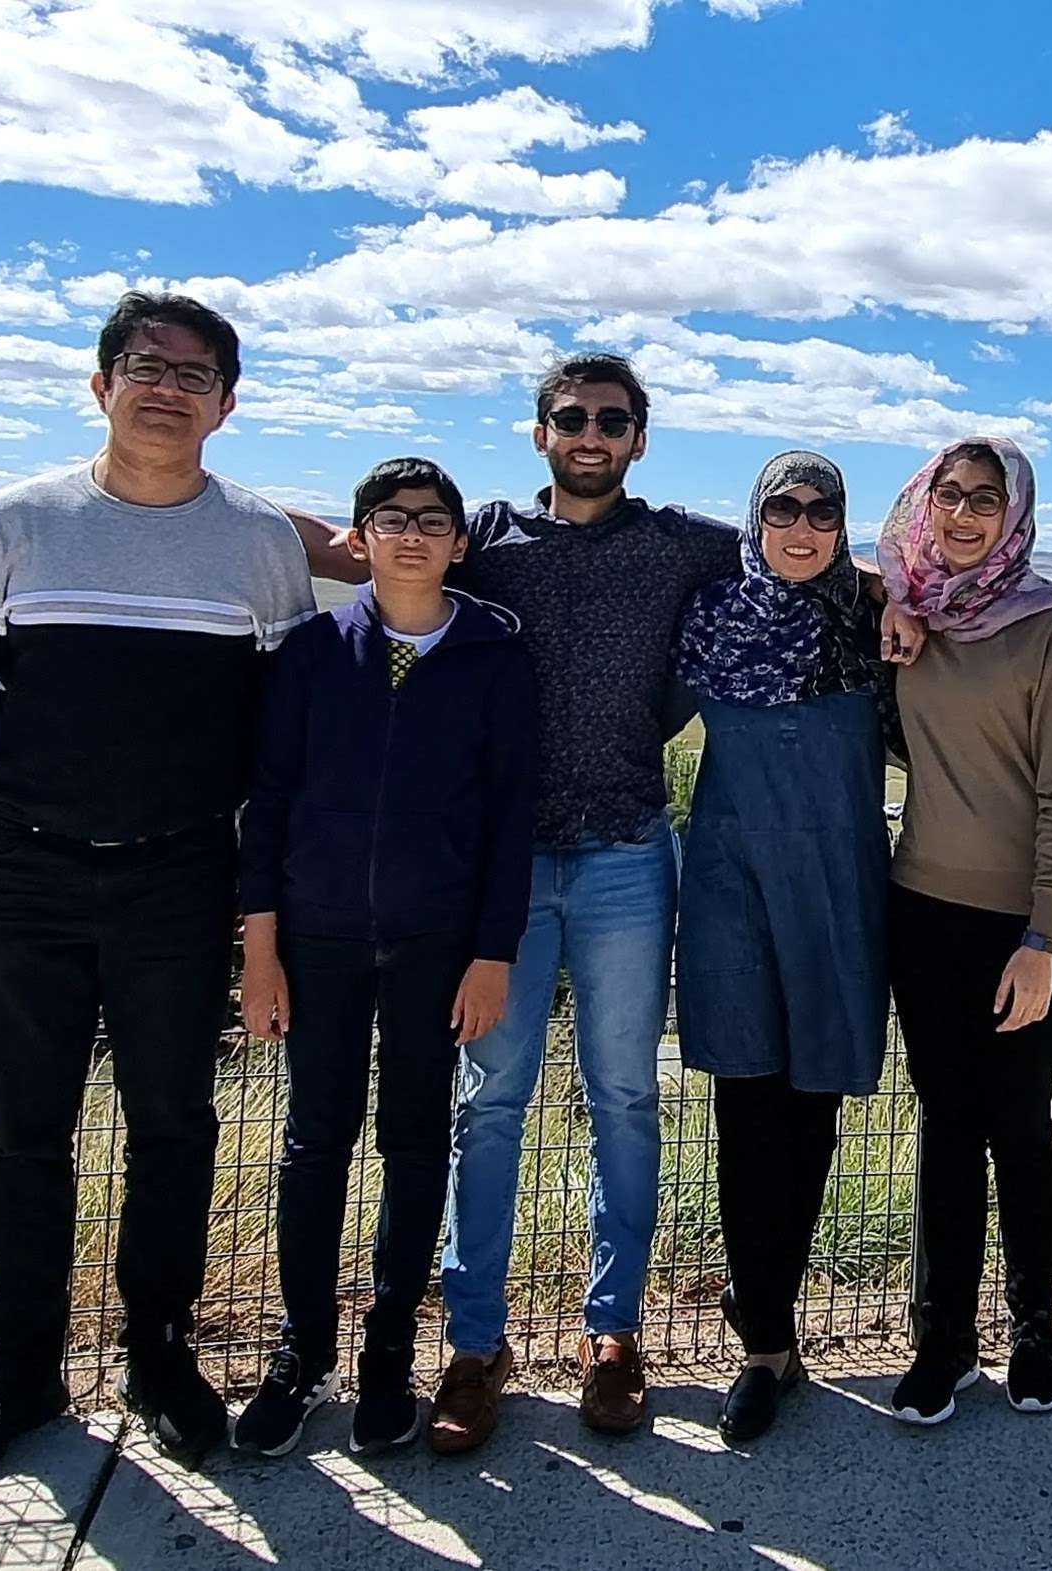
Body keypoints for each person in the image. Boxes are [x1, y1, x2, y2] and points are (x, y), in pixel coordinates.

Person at [0, 291, 317, 1493]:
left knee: (174, 1127)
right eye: (144, 364)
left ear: (227, 405)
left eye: (193, 373)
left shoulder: (257, 543)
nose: (166, 386)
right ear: (100, 385)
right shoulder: (18, 520)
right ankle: (21, 1372)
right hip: (20, 870)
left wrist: (262, 893)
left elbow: (276, 742)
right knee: (26, 1134)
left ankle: (160, 1355)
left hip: (181, 877)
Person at [285, 355, 740, 1449]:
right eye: (571, 417)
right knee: (489, 1101)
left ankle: (614, 1334)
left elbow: (795, 551)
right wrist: (204, 500)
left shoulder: (682, 540)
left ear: (640, 436)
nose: (592, 433)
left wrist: (895, 597)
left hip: (630, 851)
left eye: (613, 420)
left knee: (626, 1096)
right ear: (539, 432)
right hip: (500, 870)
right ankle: (475, 1344)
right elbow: (348, 538)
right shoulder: (485, 533)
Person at [232, 458, 537, 1458]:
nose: (412, 534)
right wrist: (261, 948)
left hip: (435, 940)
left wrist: (493, 952)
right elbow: (267, 802)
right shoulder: (315, 648)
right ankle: (301, 1353)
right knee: (315, 1144)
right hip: (314, 936)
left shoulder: (494, 651)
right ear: (357, 539)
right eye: (391, 519)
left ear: (460, 543)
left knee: (415, 1144)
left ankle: (386, 1359)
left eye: (433, 520)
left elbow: (509, 817)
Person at [874, 435, 1052, 1427]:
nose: (967, 513)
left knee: (1018, 1128)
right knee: (946, 1129)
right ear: (924, 502)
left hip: (1025, 924)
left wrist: (1043, 938)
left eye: (988, 498)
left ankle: (1035, 1329)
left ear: (1015, 511)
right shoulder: (914, 612)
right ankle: (944, 1342)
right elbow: (805, 562)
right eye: (951, 494)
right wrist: (894, 604)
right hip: (922, 907)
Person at [673, 451, 895, 1445]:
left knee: (812, 1117)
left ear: (842, 523)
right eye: (783, 509)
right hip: (733, 890)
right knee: (745, 1110)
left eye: (821, 511)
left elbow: (950, 730)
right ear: (754, 519)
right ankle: (763, 1342)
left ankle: (775, 1318)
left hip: (840, 889)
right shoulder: (711, 616)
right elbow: (626, 724)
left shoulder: (879, 619)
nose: (802, 528)